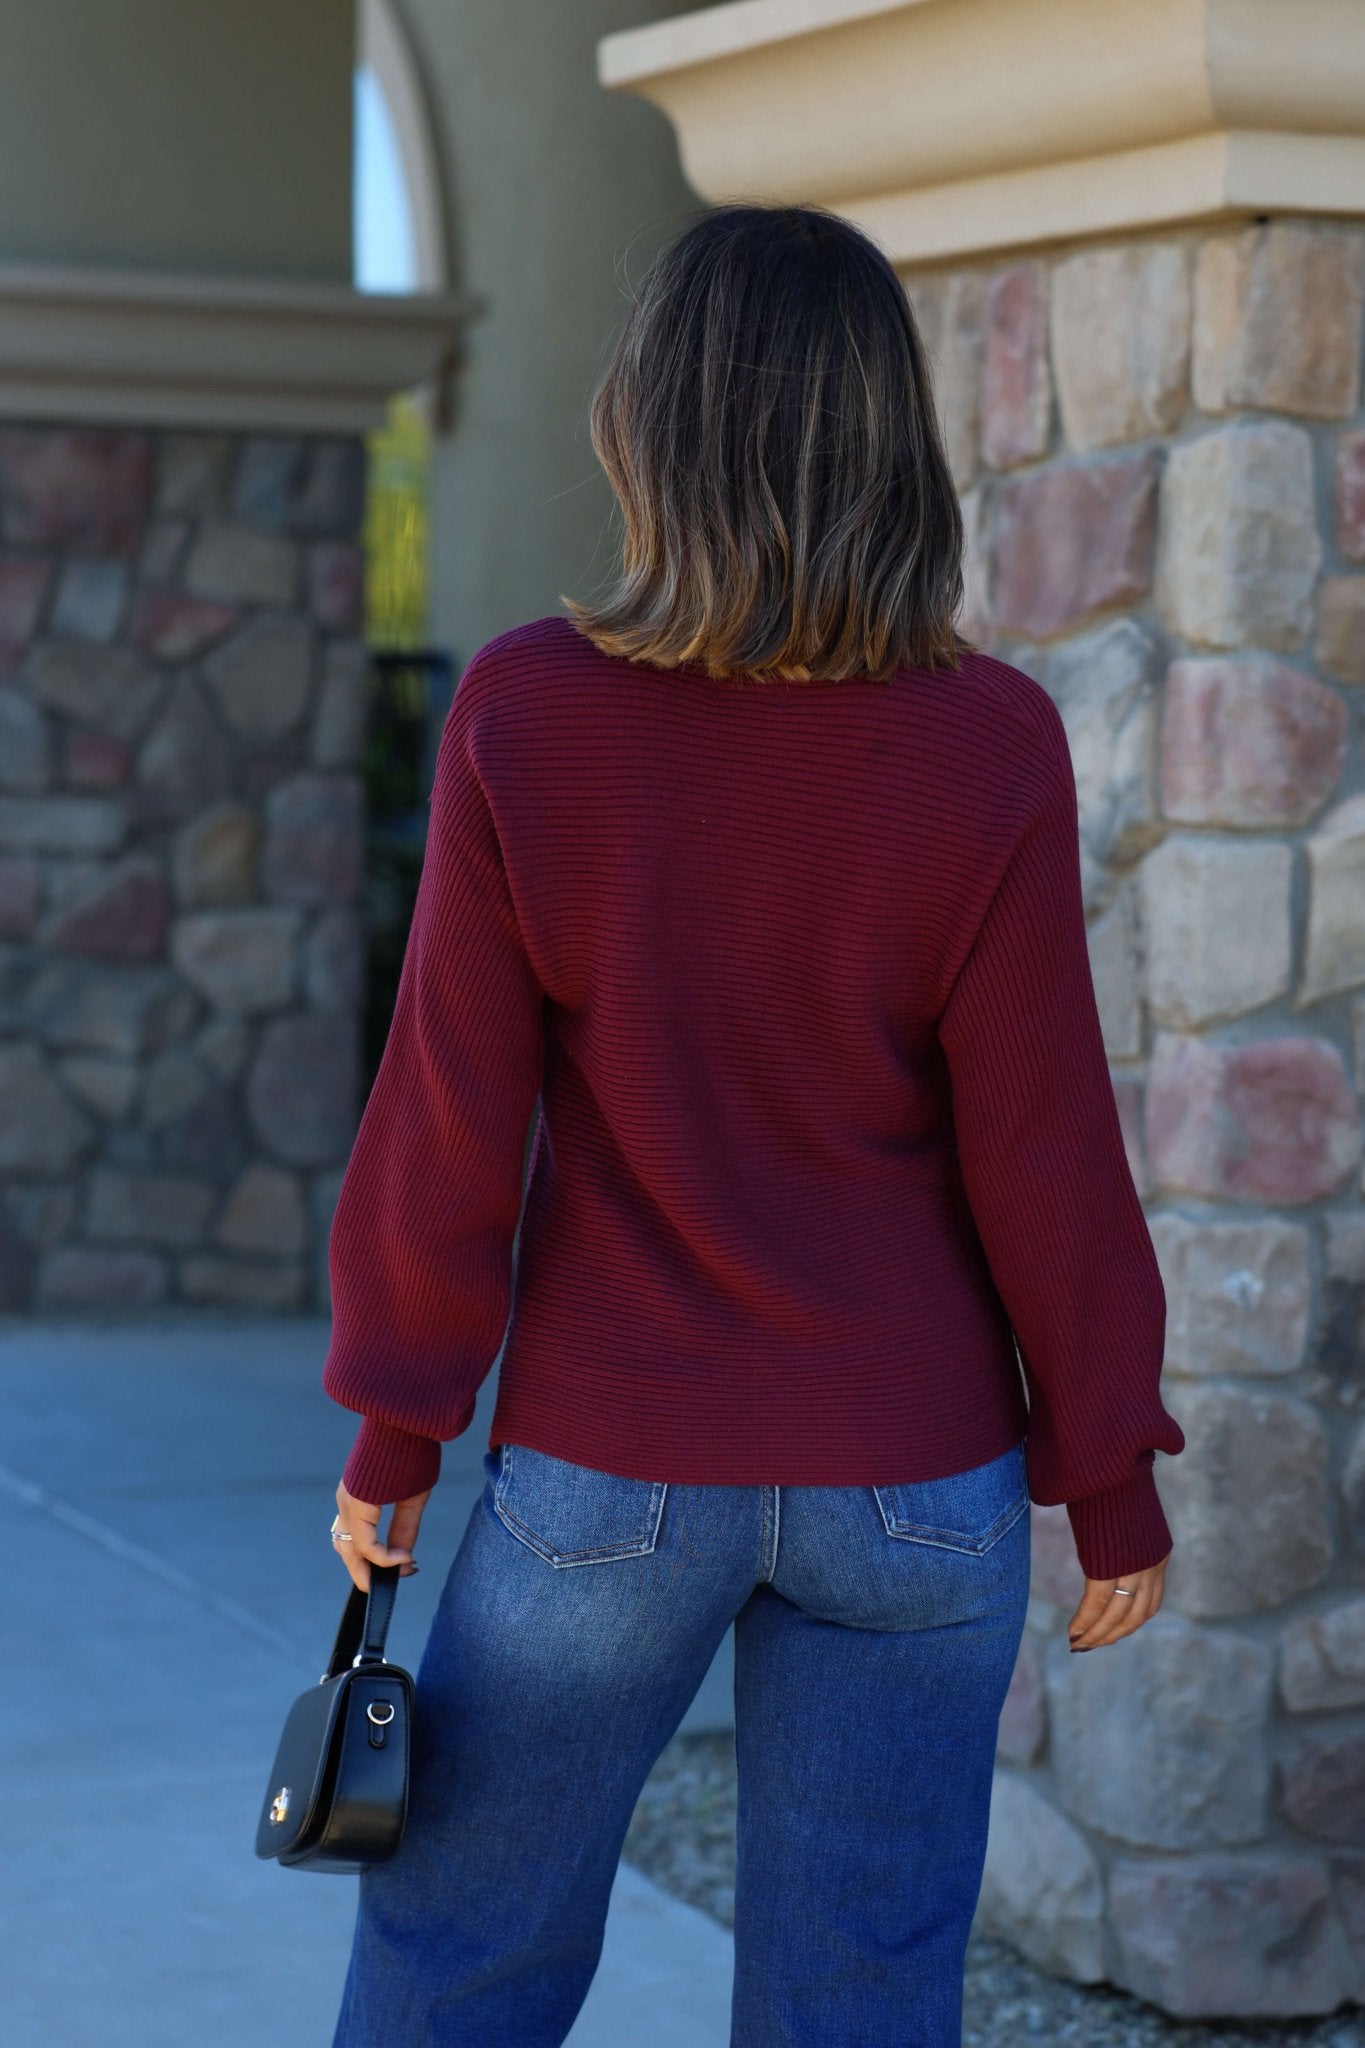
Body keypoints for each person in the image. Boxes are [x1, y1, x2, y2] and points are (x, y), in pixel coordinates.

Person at [322, 200, 1185, 2048]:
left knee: (456, 1960)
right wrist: (1102, 1460)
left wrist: (397, 1429)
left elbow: (447, 1121)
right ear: (892, 437)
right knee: (861, 1997)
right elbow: (1045, 1147)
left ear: (651, 422)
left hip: (604, 1481)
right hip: (917, 1483)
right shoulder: (989, 743)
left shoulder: (526, 716)